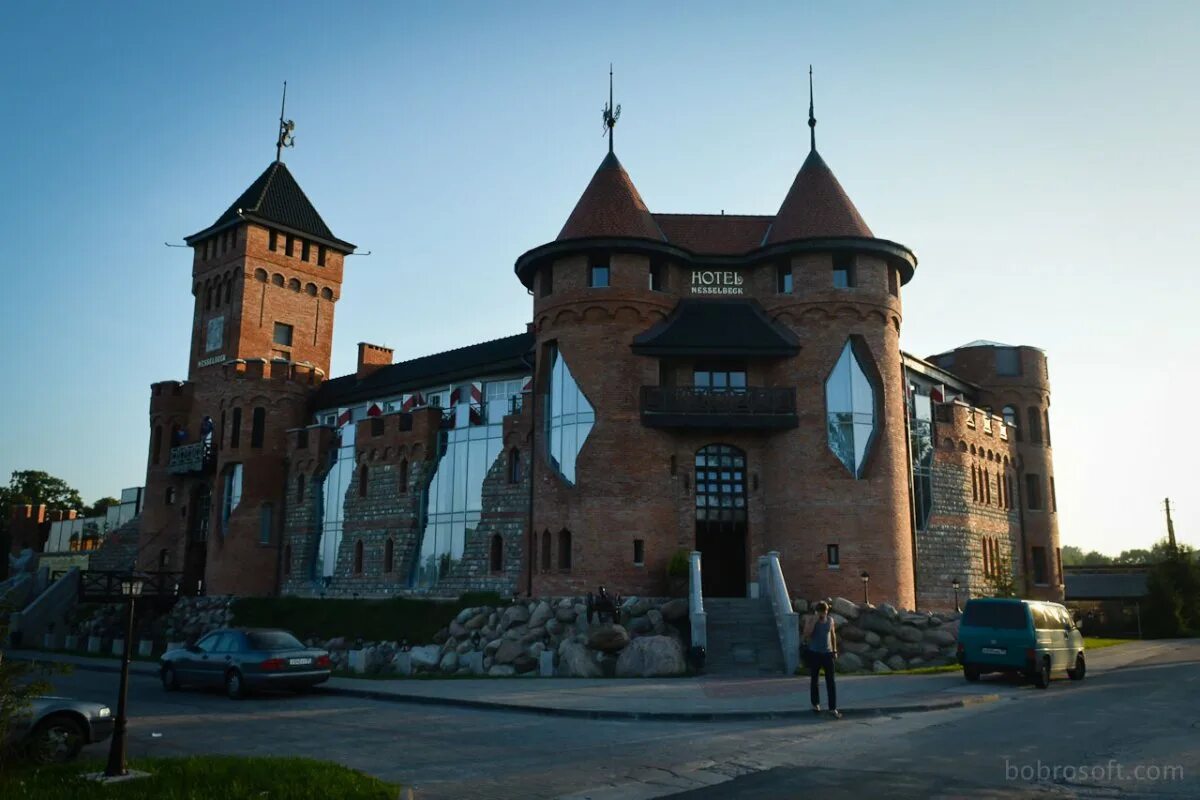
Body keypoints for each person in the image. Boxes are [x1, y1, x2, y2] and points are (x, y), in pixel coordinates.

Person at [802, 601, 840, 718]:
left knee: (831, 682)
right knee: (815, 680)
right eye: (821, 612)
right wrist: (814, 620)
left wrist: (834, 650)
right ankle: (815, 704)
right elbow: (806, 634)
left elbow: (833, 635)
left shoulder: (830, 621)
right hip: (815, 653)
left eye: (825, 612)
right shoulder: (811, 620)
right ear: (817, 612)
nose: (823, 615)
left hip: (827, 654)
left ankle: (832, 708)